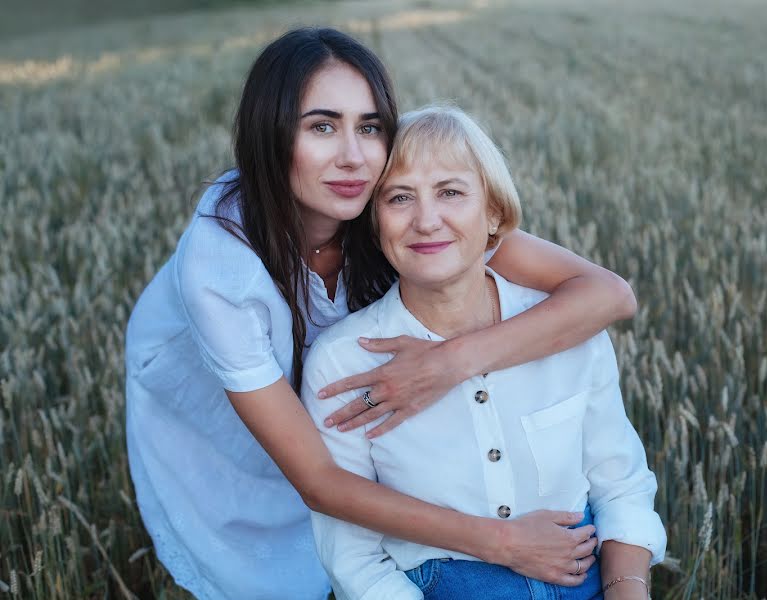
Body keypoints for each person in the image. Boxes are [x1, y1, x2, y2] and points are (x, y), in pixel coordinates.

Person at [125, 28, 638, 600]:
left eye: (369, 126)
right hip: (199, 387)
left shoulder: (394, 198)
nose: (352, 155)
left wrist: (451, 361)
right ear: (270, 133)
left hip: (332, 385)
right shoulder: (221, 269)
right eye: (322, 126)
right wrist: (502, 544)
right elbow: (319, 483)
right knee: (270, 533)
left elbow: (608, 295)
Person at [301, 105, 666, 600]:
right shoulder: (344, 361)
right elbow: (353, 558)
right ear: (373, 221)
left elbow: (620, 485)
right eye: (400, 198)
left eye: (451, 192)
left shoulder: (567, 328)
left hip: (590, 580)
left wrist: (627, 590)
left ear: (494, 212)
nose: (427, 220)